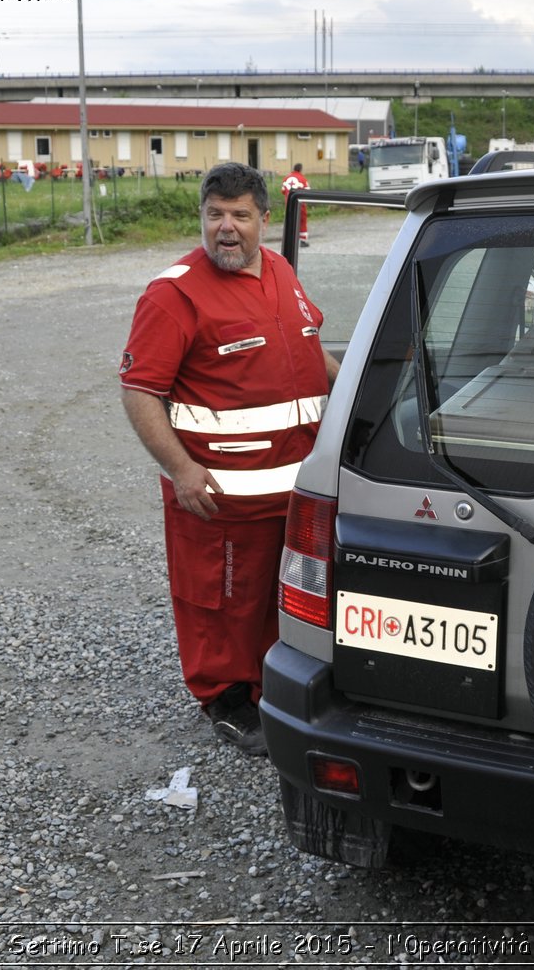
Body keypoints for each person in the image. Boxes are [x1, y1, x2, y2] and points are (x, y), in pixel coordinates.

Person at [119, 162, 339, 755]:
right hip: (221, 499)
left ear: (264, 220)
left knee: (283, 596)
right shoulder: (174, 294)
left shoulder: (282, 272)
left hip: (295, 493)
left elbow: (313, 354)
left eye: (240, 215)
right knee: (221, 603)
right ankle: (225, 698)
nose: (226, 228)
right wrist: (182, 469)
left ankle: (274, 683)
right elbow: (140, 391)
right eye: (214, 214)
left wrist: (359, 401)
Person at [281, 162, 310, 248]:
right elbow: (307, 191)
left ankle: (290, 241)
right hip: (301, 205)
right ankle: (303, 240)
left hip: (289, 204)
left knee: (290, 221)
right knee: (302, 222)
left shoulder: (286, 178)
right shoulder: (302, 178)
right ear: (300, 169)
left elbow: (283, 191)